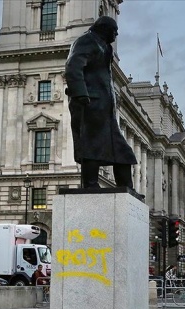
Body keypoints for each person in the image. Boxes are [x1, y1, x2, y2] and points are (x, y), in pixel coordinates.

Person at [65, 16, 137, 190]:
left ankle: (126, 188)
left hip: (105, 109)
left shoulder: (105, 47)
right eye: (114, 30)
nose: (116, 34)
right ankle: (90, 185)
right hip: (89, 103)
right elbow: (73, 67)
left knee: (123, 151)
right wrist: (81, 94)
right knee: (91, 145)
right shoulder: (86, 41)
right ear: (104, 28)